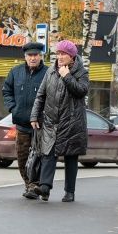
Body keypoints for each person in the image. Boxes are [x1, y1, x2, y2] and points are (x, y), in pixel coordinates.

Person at [29, 40, 88, 202]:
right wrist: (34, 116)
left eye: (63, 54)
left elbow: (81, 91)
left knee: (70, 158)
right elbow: (41, 95)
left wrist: (67, 76)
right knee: (48, 154)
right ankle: (45, 188)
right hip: (51, 121)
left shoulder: (81, 72)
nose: (60, 57)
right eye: (58, 53)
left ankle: (70, 192)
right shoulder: (50, 71)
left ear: (72, 56)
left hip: (72, 123)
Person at [2, 41, 48, 197]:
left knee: (39, 157)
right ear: (25, 56)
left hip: (41, 125)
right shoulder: (15, 72)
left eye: (36, 55)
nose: (33, 58)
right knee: (22, 158)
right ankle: (29, 185)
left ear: (41, 56)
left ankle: (36, 185)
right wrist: (13, 108)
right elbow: (6, 91)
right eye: (30, 55)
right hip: (21, 124)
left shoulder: (48, 73)